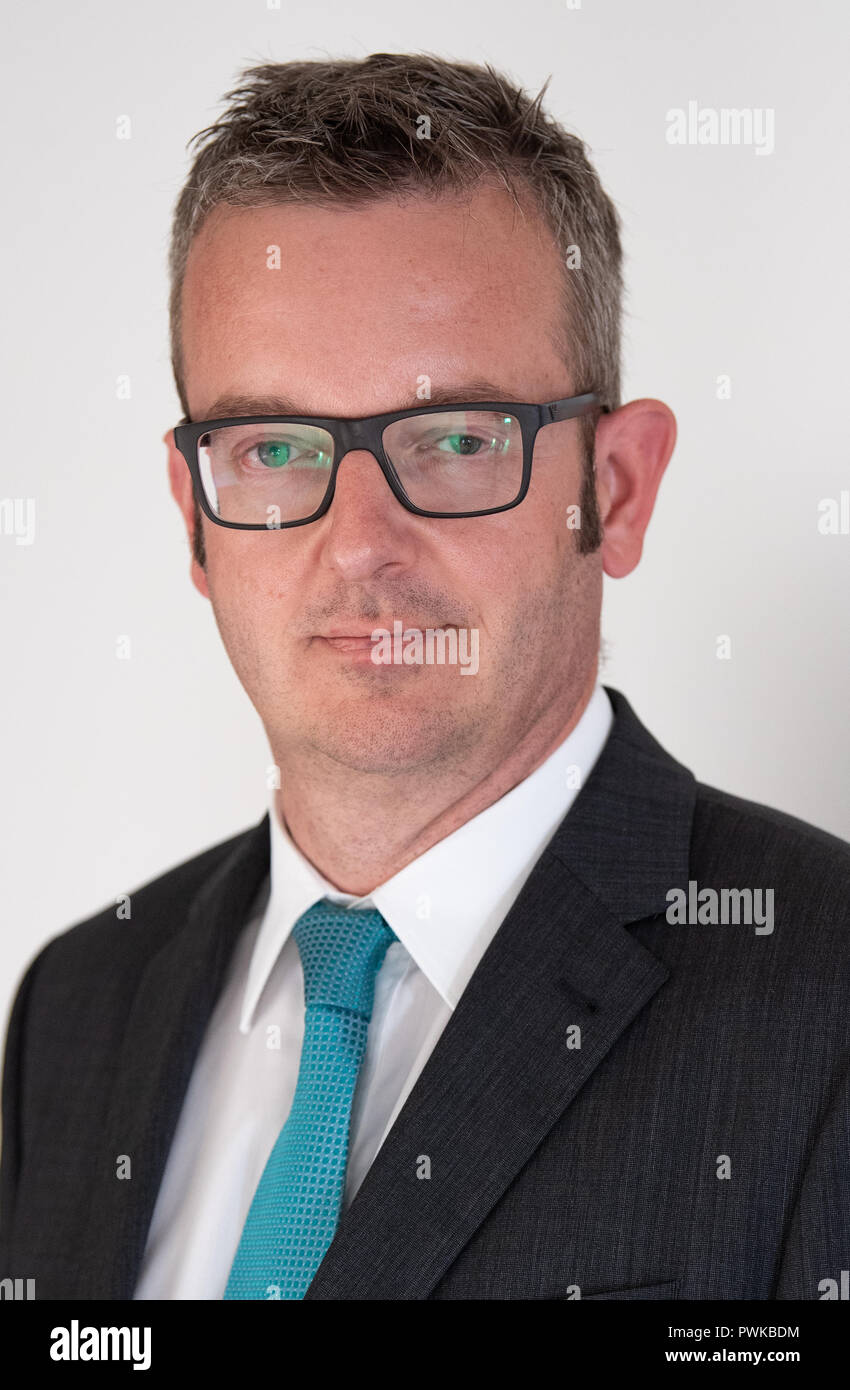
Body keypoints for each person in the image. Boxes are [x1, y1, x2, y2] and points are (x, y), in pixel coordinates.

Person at [1, 52, 848, 1303]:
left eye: (455, 438)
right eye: (275, 446)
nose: (359, 546)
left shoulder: (821, 1000)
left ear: (612, 491)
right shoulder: (74, 1009)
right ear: (196, 515)